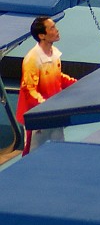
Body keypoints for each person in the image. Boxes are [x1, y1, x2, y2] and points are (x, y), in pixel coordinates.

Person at [15, 16, 77, 155]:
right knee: (32, 155)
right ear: (42, 35)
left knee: (58, 150)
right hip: (36, 115)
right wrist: (47, 107)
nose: (57, 30)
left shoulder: (54, 53)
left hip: (53, 112)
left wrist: (76, 84)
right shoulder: (32, 59)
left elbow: (57, 77)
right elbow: (29, 91)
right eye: (52, 28)